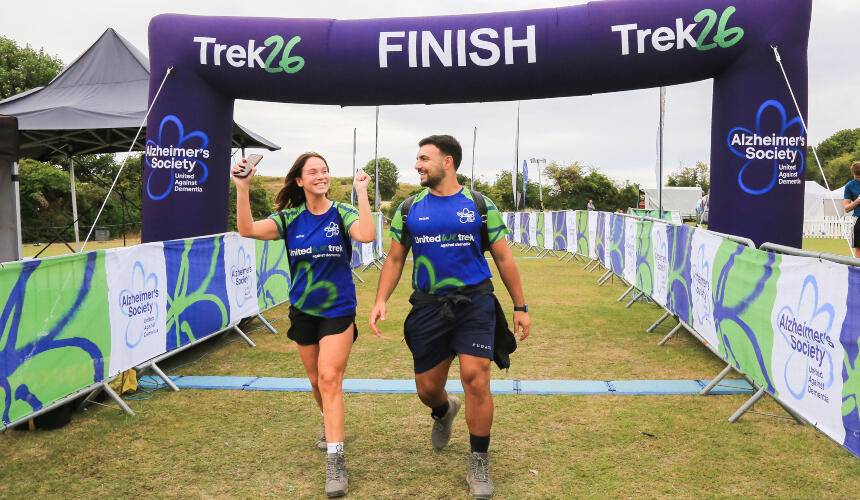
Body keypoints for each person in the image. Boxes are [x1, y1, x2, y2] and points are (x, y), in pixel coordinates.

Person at [369, 135, 531, 499]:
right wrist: (380, 300)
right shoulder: (409, 208)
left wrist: (520, 307)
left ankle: (479, 461)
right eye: (417, 158)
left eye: (424, 158)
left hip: (474, 303)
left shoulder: (479, 205)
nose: (417, 165)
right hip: (428, 306)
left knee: (476, 378)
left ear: (448, 162)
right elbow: (395, 259)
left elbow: (503, 257)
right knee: (427, 389)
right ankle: (444, 410)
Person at [232, 152, 373, 498]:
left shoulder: (342, 212)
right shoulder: (290, 218)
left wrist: (361, 192)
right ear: (299, 180)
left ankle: (336, 460)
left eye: (325, 170)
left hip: (338, 310)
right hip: (303, 311)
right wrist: (242, 187)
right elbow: (247, 230)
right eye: (313, 172)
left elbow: (367, 235)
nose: (321, 176)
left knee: (329, 378)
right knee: (315, 381)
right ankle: (329, 424)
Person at [843, 161, 860, 258]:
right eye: (857, 177)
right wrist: (856, 201)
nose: (859, 179)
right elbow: (846, 208)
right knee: (859, 250)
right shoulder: (850, 186)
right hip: (858, 220)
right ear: (853, 174)